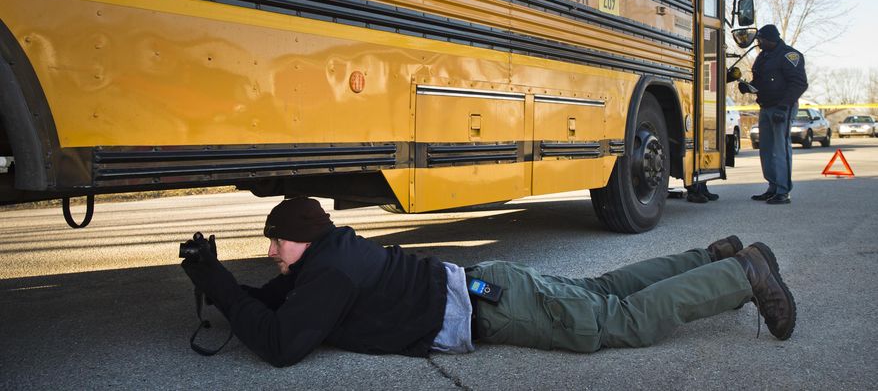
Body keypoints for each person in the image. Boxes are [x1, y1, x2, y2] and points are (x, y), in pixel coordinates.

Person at [181, 197, 797, 366]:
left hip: (490, 307)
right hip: (485, 286)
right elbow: (276, 305)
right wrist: (217, 281)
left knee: (612, 322)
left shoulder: (328, 272)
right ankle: (715, 255)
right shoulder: (329, 256)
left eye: (277, 241)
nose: (270, 251)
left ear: (304, 240)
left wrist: (228, 291)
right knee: (605, 293)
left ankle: (741, 274)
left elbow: (284, 345)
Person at [739, 24, 808, 205]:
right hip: (766, 106)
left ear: (770, 39)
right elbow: (761, 81)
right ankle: (772, 187)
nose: (758, 43)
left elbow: (799, 83)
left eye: (761, 40)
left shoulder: (789, 55)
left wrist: (784, 106)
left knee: (780, 149)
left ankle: (783, 191)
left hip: (781, 108)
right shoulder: (763, 57)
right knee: (767, 150)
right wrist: (748, 87)